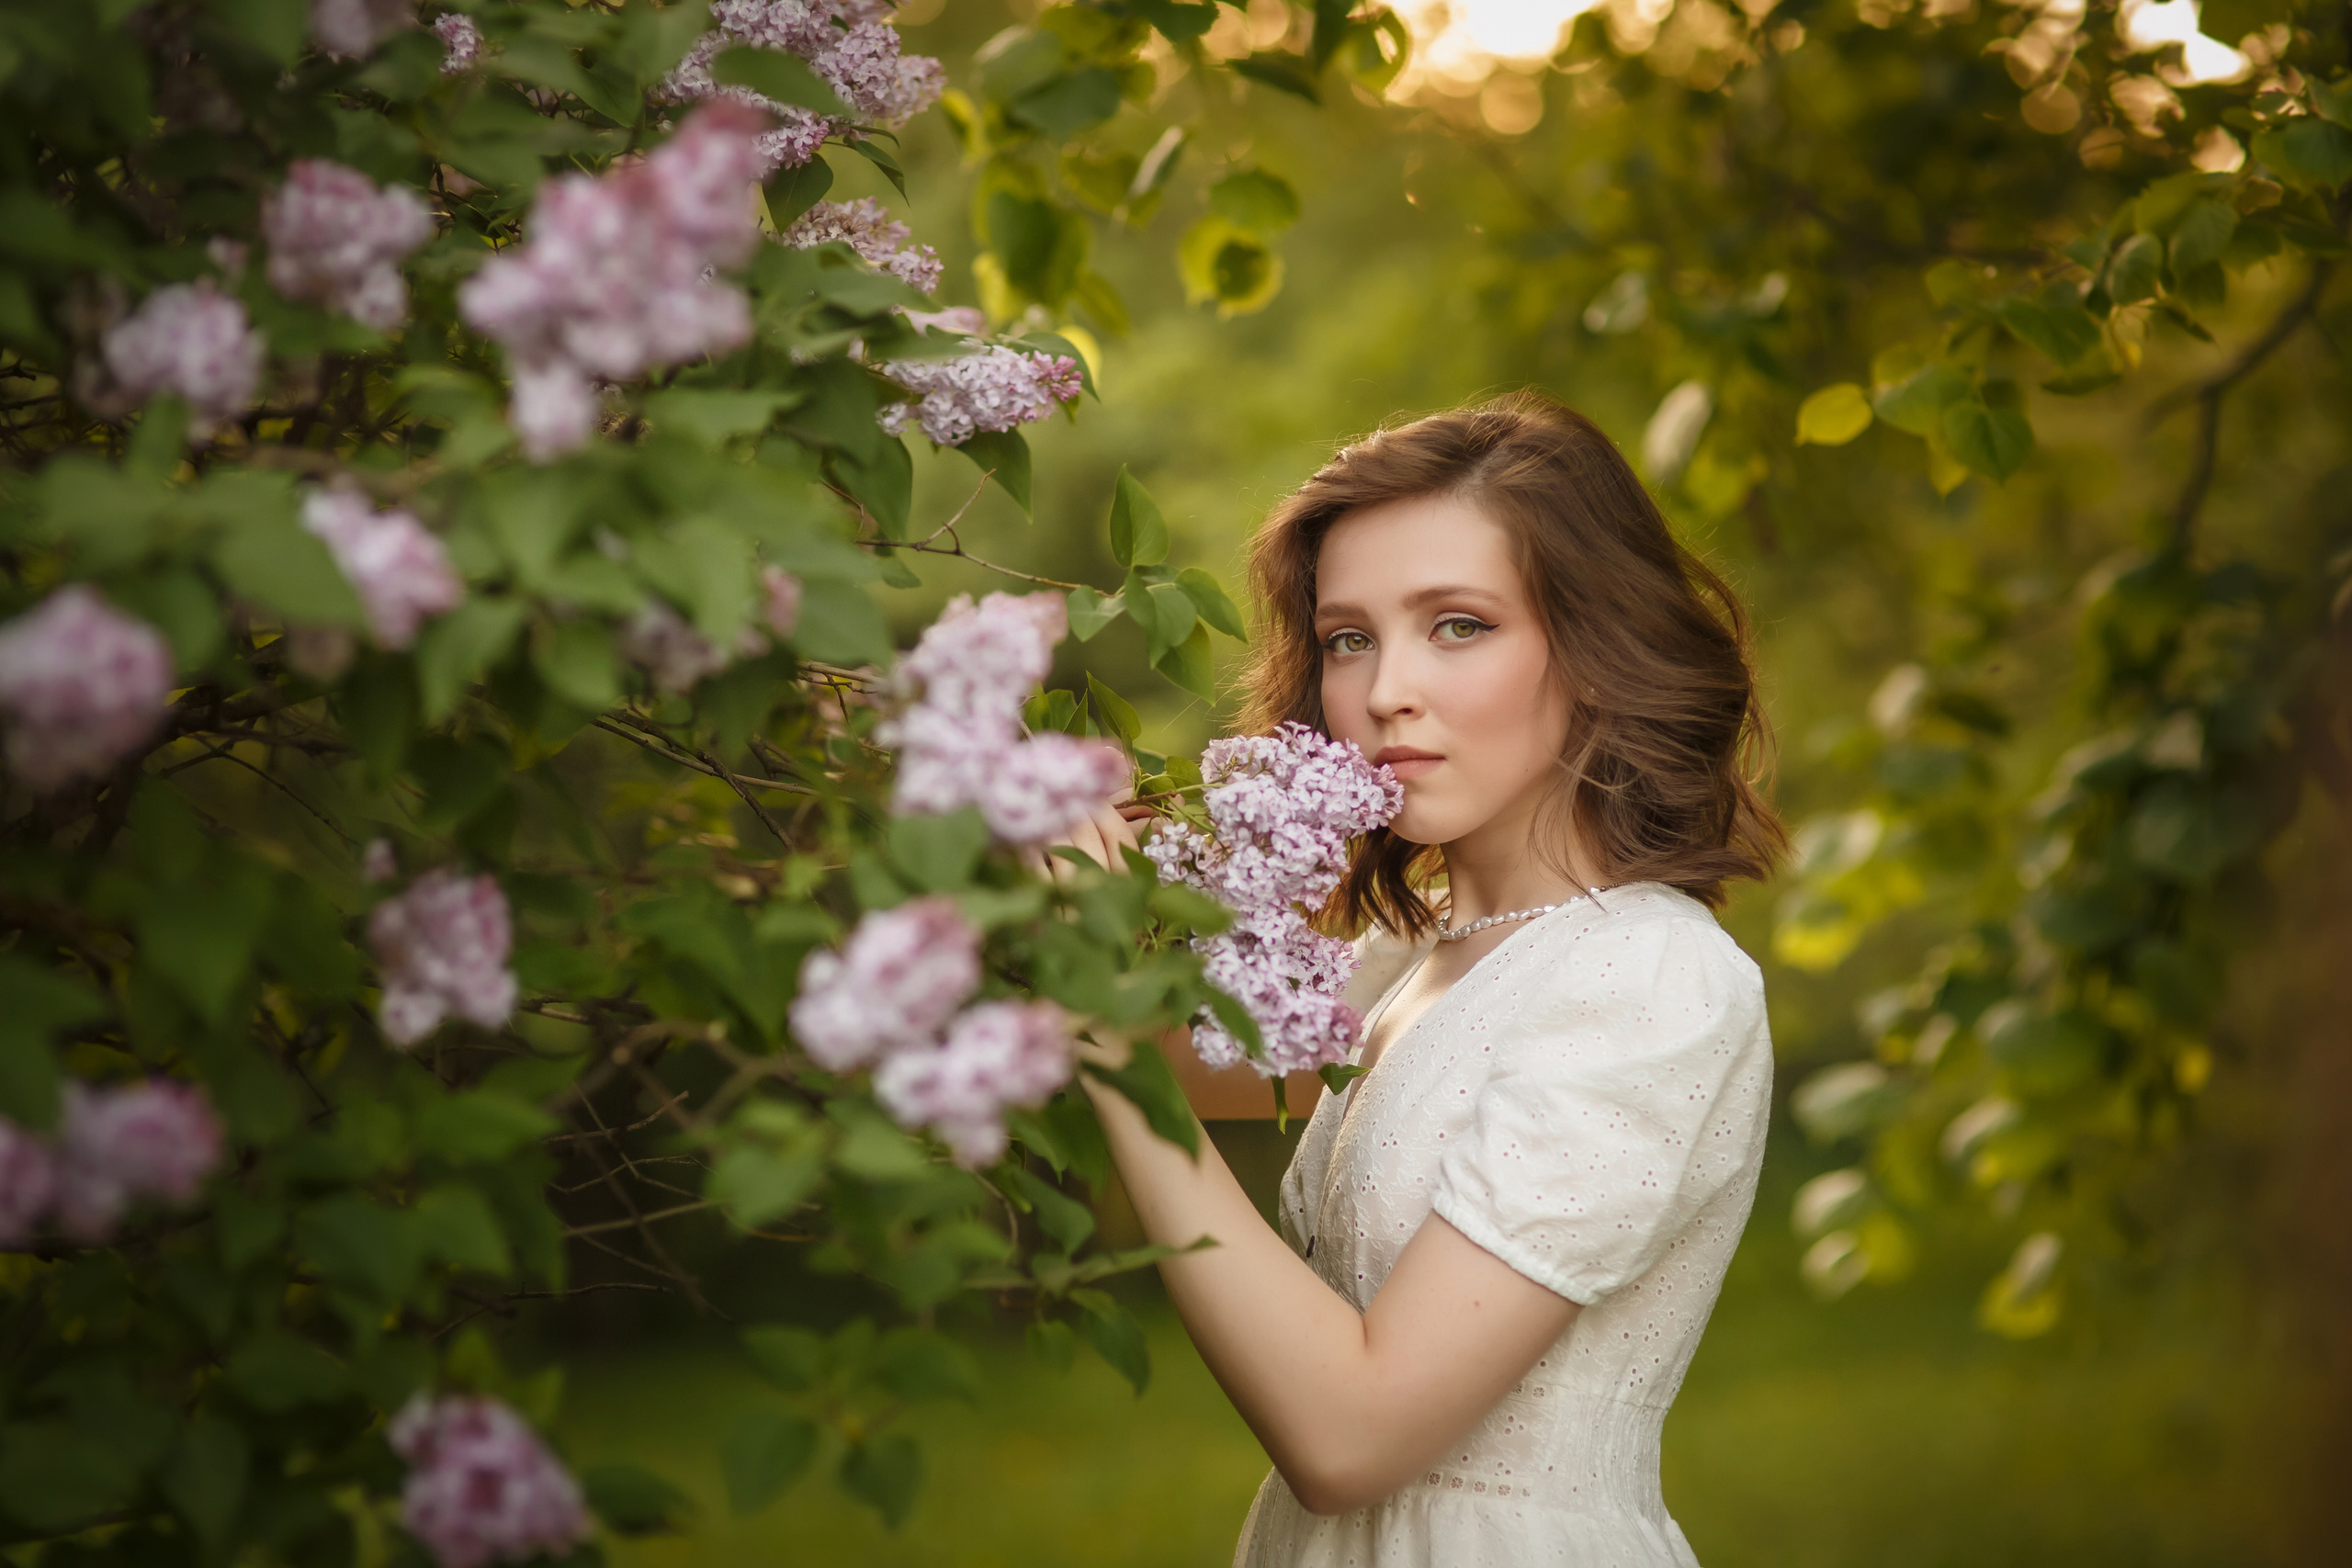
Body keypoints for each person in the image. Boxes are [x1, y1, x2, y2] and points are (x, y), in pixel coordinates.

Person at [1053, 392, 1789, 1566]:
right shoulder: (1409, 953)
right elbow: (1132, 1053)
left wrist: (1091, 1030)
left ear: (1594, 646)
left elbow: (1350, 1435)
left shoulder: (1649, 976)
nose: (1384, 687)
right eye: (1349, 639)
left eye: (1457, 625)